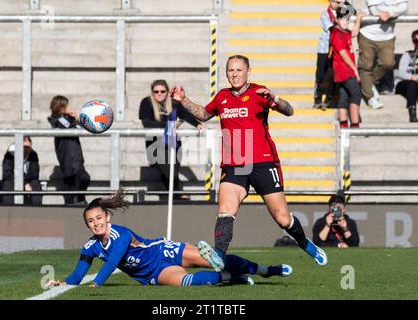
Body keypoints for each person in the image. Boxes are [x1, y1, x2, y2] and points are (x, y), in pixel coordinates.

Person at [170, 55, 327, 271]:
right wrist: (183, 100)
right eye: (230, 70)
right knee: (225, 210)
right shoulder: (222, 97)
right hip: (234, 165)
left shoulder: (259, 92)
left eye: (239, 70)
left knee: (282, 219)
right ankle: (219, 256)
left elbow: (289, 111)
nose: (234, 74)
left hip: (264, 163)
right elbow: (204, 114)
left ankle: (304, 242)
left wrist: (276, 97)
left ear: (248, 71)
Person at [49, 189, 293, 287]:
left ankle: (266, 269)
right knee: (191, 283)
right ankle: (234, 279)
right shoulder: (90, 246)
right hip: (152, 273)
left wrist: (99, 282)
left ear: (107, 217)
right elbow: (78, 273)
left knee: (215, 259)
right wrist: (65, 282)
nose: (96, 223)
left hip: (164, 251)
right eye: (90, 221)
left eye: (99, 218)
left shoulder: (120, 234)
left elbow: (113, 261)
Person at [139, 79, 204, 200]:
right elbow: (147, 123)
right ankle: (178, 193)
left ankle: (169, 200)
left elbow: (185, 114)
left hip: (173, 143)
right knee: (168, 171)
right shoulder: (146, 102)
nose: (159, 94)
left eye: (162, 91)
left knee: (172, 169)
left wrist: (197, 124)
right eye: (156, 91)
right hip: (155, 144)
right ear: (152, 92)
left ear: (167, 91)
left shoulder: (173, 103)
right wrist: (169, 125)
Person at [358, 0, 409, 109]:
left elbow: (404, 7)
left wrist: (390, 13)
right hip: (367, 34)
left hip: (387, 36)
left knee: (388, 63)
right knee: (365, 67)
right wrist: (395, 10)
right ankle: (370, 97)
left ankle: (367, 83)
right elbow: (375, 10)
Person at [48, 95, 91, 205]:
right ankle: (74, 201)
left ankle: (78, 199)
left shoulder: (67, 119)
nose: (68, 107)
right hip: (68, 156)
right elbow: (73, 128)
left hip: (75, 155)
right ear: (60, 107)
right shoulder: (58, 119)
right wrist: (76, 120)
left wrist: (76, 119)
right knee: (76, 180)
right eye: (66, 106)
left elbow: (79, 128)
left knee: (80, 179)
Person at [330, 4, 366, 128]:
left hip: (343, 72)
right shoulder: (336, 33)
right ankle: (355, 127)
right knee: (356, 95)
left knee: (344, 98)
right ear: (337, 19)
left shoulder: (343, 31)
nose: (346, 22)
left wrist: (359, 18)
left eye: (347, 19)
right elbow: (343, 54)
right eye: (343, 19)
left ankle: (343, 127)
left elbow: (354, 32)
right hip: (345, 71)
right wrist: (355, 70)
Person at [313, 0, 343, 110]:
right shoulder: (325, 14)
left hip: (336, 48)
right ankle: (318, 98)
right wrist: (341, 21)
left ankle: (328, 99)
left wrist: (345, 3)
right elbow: (331, 28)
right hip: (324, 48)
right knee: (321, 74)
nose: (337, 3)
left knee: (333, 74)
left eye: (339, 1)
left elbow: (352, 11)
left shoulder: (342, 11)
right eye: (335, 1)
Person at [0, 136, 42, 205]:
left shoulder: (33, 155)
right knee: (7, 184)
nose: (26, 149)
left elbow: (34, 173)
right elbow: (7, 174)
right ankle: (8, 210)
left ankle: (36, 210)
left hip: (28, 180)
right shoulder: (9, 155)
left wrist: (25, 182)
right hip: (13, 180)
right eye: (24, 147)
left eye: (28, 147)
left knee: (35, 184)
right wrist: (24, 183)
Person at [395, 29, 418, 123]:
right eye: (416, 40)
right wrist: (411, 77)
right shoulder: (407, 55)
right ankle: (412, 113)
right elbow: (401, 73)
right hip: (405, 83)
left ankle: (413, 111)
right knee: (412, 84)